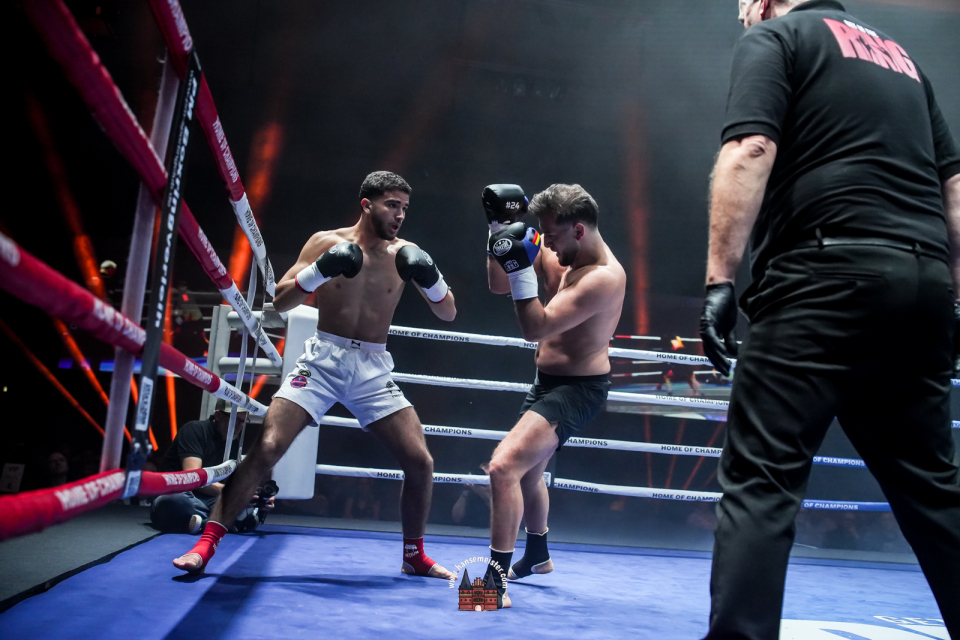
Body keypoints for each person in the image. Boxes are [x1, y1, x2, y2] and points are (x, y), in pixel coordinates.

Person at [699, 1, 960, 637]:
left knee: (761, 480)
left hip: (823, 277)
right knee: (935, 491)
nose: (741, 19)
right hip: (920, 284)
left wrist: (719, 280)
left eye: (742, 7)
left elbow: (751, 148)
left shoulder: (778, 38)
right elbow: (955, 189)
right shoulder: (903, 61)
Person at [173, 171, 457, 579]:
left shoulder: (406, 254)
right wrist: (321, 270)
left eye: (405, 208)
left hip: (373, 367)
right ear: (367, 204)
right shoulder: (325, 242)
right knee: (267, 446)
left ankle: (414, 556)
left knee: (420, 461)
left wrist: (432, 279)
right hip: (323, 361)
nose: (399, 215)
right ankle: (206, 544)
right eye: (392, 205)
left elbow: (448, 312)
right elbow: (281, 301)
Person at [482, 183, 626, 607]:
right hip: (546, 381)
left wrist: (521, 269)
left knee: (502, 467)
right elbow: (498, 284)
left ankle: (491, 584)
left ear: (579, 230)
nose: (546, 243)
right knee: (527, 473)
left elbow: (535, 327)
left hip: (578, 389)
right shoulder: (560, 251)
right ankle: (538, 554)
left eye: (553, 235)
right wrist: (498, 231)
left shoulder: (603, 278)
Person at [151, 399, 268, 534]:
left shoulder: (233, 443)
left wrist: (253, 496)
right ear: (218, 416)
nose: (238, 426)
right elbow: (194, 480)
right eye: (235, 420)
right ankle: (218, 520)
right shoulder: (194, 430)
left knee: (247, 506)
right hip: (182, 494)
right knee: (173, 500)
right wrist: (233, 493)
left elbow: (229, 482)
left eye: (243, 421)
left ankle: (201, 522)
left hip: (206, 499)